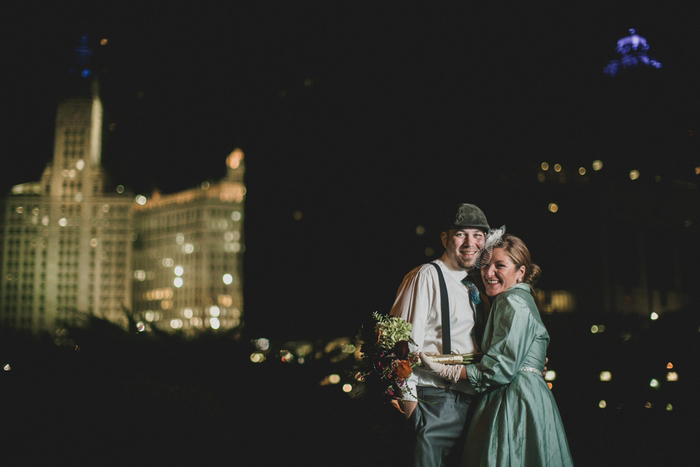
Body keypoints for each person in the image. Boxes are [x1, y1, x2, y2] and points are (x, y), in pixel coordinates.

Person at [424, 232, 573, 466]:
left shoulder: (510, 301)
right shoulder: (521, 300)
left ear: (521, 272)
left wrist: (446, 370)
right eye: (485, 265)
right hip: (530, 397)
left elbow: (498, 369)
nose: (488, 273)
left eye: (499, 265)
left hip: (514, 399)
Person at [390, 203, 490, 467]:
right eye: (461, 234)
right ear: (445, 238)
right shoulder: (425, 276)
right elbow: (397, 350)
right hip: (434, 405)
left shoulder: (477, 284)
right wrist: (415, 417)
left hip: (476, 406)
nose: (470, 242)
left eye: (478, 235)